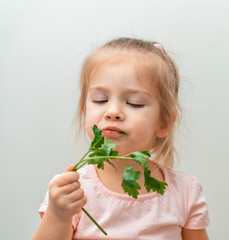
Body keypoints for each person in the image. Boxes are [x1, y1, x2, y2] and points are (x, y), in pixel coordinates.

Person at [32, 38, 210, 240]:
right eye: (100, 100)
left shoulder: (185, 193)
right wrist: (58, 214)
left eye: (134, 103)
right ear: (84, 113)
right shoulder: (73, 190)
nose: (113, 112)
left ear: (164, 122)